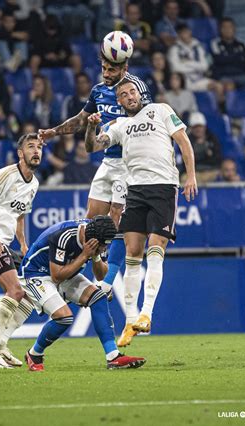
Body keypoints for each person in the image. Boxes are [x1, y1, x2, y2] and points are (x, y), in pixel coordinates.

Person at [84, 78, 197, 346]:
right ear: (119, 102)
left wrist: (191, 175)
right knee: (133, 254)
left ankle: (146, 313)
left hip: (163, 187)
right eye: (123, 94)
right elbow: (93, 146)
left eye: (132, 91)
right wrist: (90, 128)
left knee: (156, 249)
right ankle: (130, 322)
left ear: (139, 93)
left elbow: (183, 141)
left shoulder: (161, 110)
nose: (129, 96)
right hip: (134, 190)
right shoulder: (118, 125)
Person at [38, 45, 151, 311]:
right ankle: (84, 272)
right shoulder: (98, 91)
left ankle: (107, 281)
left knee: (115, 216)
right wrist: (54, 132)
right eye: (103, 68)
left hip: (129, 162)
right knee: (92, 221)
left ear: (124, 67)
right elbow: (80, 120)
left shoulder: (135, 88)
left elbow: (147, 117)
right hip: (107, 161)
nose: (106, 72)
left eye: (111, 68)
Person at [20, 215, 146, 371]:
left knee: (98, 297)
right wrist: (84, 255)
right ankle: (34, 354)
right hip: (36, 274)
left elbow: (101, 275)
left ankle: (113, 357)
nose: (104, 249)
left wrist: (96, 255)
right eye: (101, 247)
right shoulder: (63, 236)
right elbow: (56, 276)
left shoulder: (98, 237)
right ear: (90, 240)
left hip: (66, 273)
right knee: (64, 317)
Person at [0, 133, 43, 369]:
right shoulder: (5, 174)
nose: (36, 151)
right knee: (14, 290)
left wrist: (22, 244)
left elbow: (20, 214)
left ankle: (1, 346)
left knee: (29, 296)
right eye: (31, 147)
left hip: (6, 243)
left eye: (39, 147)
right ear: (20, 153)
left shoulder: (34, 183)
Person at [168, 23, 224, 102]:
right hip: (184, 82)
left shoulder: (198, 47)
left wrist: (188, 63)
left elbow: (205, 66)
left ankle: (221, 112)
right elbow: (175, 68)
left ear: (190, 32)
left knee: (218, 86)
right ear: (179, 35)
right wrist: (196, 67)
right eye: (182, 33)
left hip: (199, 79)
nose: (185, 34)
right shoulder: (174, 49)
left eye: (186, 32)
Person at [210, 17, 245, 91]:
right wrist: (238, 57)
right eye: (224, 27)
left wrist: (227, 58)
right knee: (229, 86)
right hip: (224, 75)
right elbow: (219, 60)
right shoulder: (215, 43)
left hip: (241, 74)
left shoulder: (243, 44)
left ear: (234, 29)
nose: (227, 30)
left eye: (230, 27)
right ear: (220, 30)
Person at [187, 111, 222, 184]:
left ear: (204, 127)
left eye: (200, 126)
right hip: (194, 173)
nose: (198, 129)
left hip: (211, 171)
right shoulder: (187, 140)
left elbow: (217, 158)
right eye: (195, 127)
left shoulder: (212, 139)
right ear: (191, 128)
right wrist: (205, 154)